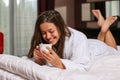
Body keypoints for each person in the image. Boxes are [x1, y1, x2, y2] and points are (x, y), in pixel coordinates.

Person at [27, 9, 118, 71]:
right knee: (99, 42)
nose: (48, 36)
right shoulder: (45, 40)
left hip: (96, 49)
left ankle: (104, 28)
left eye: (51, 31)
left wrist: (60, 63)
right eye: (43, 33)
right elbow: (44, 62)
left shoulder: (78, 37)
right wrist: (39, 59)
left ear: (60, 27)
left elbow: (82, 67)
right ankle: (102, 28)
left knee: (114, 49)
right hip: (88, 44)